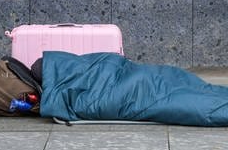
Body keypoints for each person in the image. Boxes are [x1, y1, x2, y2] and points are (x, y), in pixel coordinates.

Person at [31, 51, 228, 127]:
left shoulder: (66, 83)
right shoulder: (70, 70)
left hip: (133, 80)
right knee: (193, 97)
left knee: (186, 94)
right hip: (136, 82)